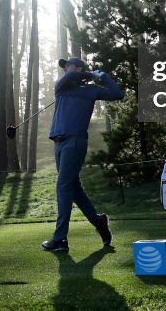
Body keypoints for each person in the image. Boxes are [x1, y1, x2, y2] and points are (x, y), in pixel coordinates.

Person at [41, 56, 125, 253]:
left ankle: (60, 238)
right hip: (59, 143)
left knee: (63, 186)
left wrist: (102, 76)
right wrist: (90, 74)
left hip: (75, 141)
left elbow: (118, 94)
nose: (65, 69)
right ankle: (99, 221)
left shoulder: (91, 90)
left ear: (77, 68)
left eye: (68, 65)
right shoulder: (61, 87)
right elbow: (66, 79)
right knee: (73, 188)